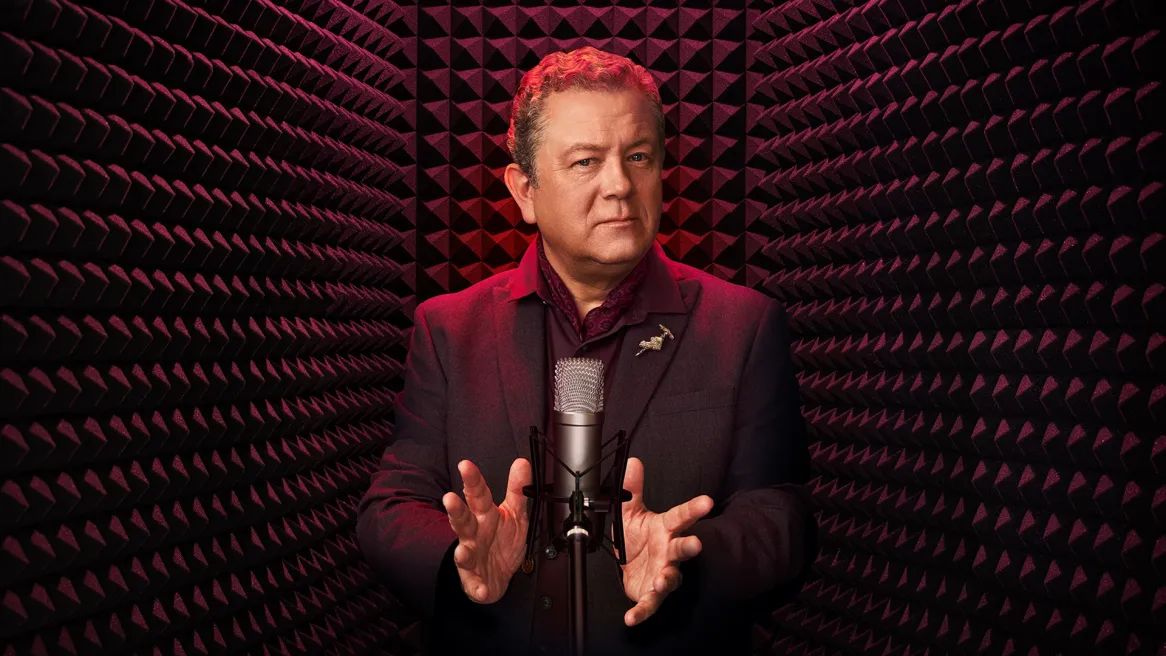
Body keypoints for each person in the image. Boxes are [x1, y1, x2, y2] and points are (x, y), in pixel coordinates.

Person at [357, 46, 814, 655]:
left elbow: (782, 516)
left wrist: (692, 555)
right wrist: (458, 559)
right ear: (524, 191)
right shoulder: (447, 328)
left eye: (639, 157)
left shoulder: (745, 325)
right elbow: (391, 504)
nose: (620, 185)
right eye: (585, 162)